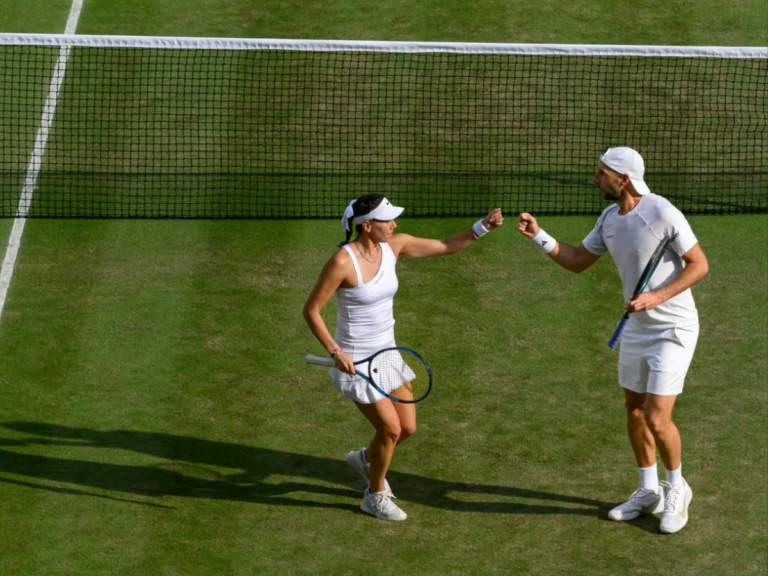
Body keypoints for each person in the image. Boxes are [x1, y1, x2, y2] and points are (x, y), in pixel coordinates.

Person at [517, 147, 708, 534]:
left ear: (624, 178)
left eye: (602, 173)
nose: (595, 179)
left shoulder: (662, 211)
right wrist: (540, 236)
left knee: (657, 416)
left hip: (673, 329)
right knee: (634, 411)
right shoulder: (608, 219)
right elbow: (576, 260)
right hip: (636, 329)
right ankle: (648, 489)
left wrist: (656, 296)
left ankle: (677, 488)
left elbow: (699, 264)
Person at [304, 194, 503, 521]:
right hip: (356, 362)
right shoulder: (342, 262)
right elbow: (311, 310)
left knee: (407, 428)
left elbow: (444, 245)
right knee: (391, 430)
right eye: (387, 220)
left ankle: (366, 460)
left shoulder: (394, 245)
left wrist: (483, 226)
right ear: (367, 226)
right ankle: (375, 493)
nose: (394, 225)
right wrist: (336, 352)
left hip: (388, 354)